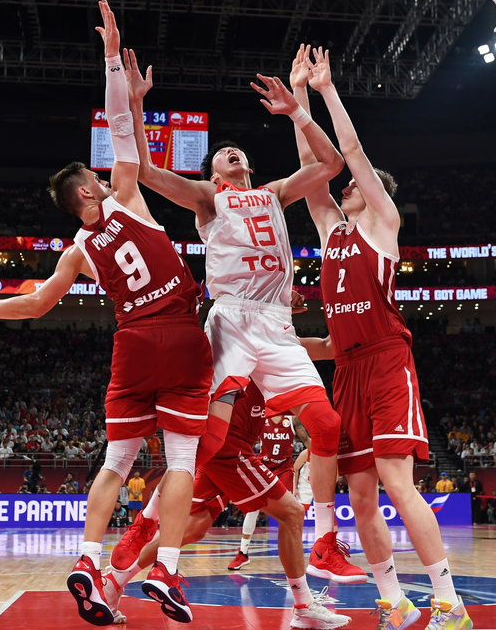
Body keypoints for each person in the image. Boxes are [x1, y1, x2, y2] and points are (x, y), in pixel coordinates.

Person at [0, 0, 210, 626]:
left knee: (116, 464)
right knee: (179, 461)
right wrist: (110, 59)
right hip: (178, 335)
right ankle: (167, 568)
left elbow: (38, 304)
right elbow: (121, 124)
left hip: (130, 344)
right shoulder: (126, 197)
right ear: (91, 191)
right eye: (93, 178)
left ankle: (89, 558)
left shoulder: (77, 248)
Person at [125, 43, 362, 584]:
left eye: (236, 151)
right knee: (211, 434)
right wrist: (137, 105)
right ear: (214, 172)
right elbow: (141, 169)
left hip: (276, 323)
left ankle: (324, 540)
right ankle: (146, 520)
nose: (231, 153)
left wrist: (297, 110)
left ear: (250, 166)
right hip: (230, 317)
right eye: (222, 153)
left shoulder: (277, 194)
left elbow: (331, 164)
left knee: (326, 424)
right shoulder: (210, 198)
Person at [290, 45, 470, 629]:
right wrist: (296, 109)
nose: (342, 190)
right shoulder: (331, 230)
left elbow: (349, 154)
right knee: (360, 495)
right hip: (345, 370)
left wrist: (325, 91)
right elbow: (312, 175)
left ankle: (450, 602)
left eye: (352, 188)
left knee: (396, 482)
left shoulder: (380, 221)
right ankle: (393, 598)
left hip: (388, 362)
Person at [109, 385, 350, 629]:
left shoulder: (280, 398)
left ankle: (113, 582)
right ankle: (303, 606)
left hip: (222, 450)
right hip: (231, 450)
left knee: (194, 528)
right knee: (292, 513)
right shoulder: (244, 359)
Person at [228, 414, 309, 571]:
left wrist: (326, 455)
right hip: (264, 466)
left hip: (285, 469)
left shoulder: (292, 420)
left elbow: (307, 442)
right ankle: (243, 554)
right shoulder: (261, 418)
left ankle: (293, 554)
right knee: (252, 510)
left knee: (290, 513)